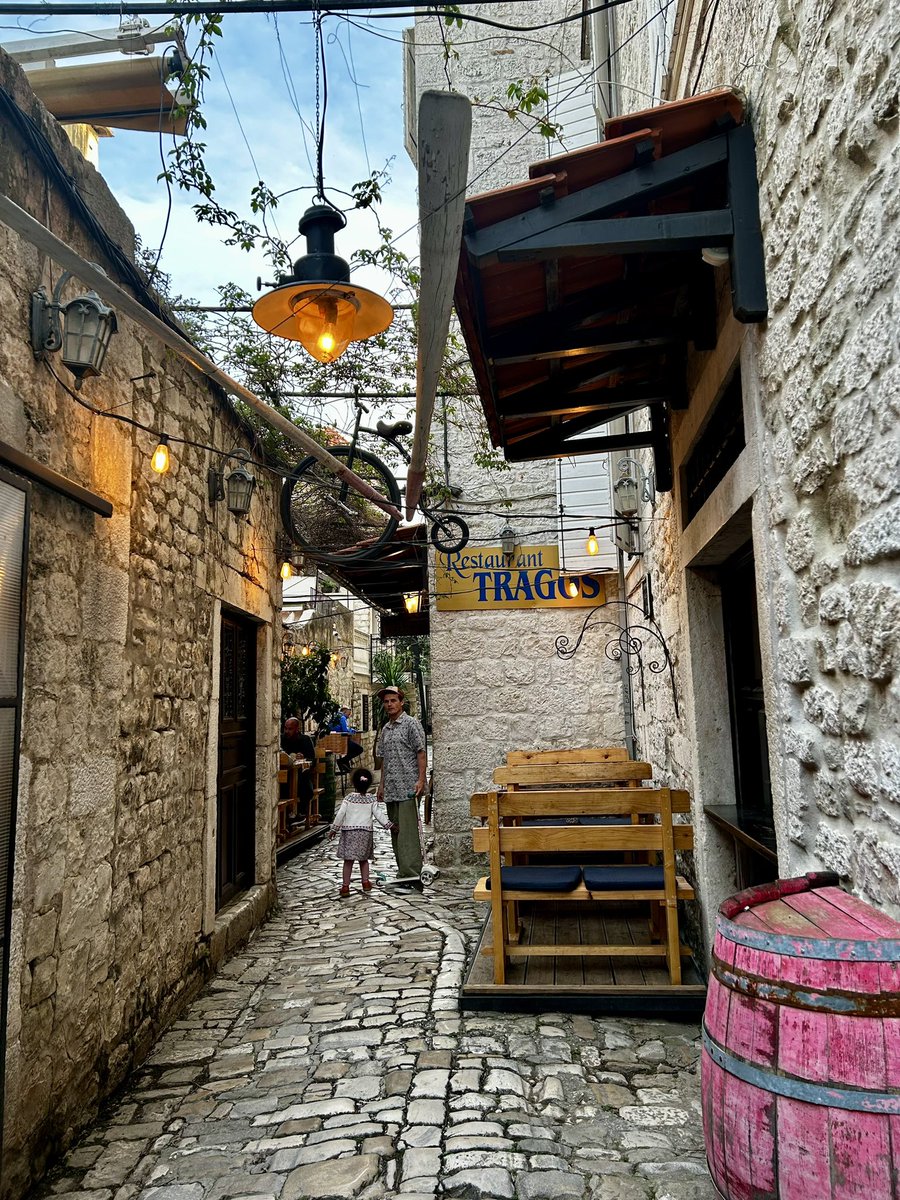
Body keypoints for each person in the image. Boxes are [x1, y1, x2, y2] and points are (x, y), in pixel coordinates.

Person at [375, 686, 427, 891]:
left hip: (409, 786)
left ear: (401, 702)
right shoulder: (386, 730)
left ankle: (412, 874)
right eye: (386, 701)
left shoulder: (411, 724)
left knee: (407, 833)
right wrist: (381, 786)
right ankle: (402, 872)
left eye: (393, 700)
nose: (389, 704)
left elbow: (421, 753)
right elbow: (385, 760)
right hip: (392, 788)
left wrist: (421, 781)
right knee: (395, 831)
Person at [329, 767, 394, 898]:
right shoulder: (371, 800)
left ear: (353, 783)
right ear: (369, 783)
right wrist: (389, 826)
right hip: (365, 834)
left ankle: (345, 886)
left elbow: (340, 814)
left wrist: (334, 829)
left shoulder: (348, 798)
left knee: (348, 861)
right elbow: (379, 814)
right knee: (364, 860)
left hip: (349, 833)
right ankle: (365, 882)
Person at [280, 717, 316, 820]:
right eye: (285, 728)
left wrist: (304, 758)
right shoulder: (281, 739)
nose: (287, 731)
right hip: (286, 775)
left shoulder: (305, 740)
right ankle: (287, 815)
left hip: (301, 775)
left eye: (290, 729)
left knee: (303, 787)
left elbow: (312, 760)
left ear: (297, 729)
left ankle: (299, 812)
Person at [330, 705, 363, 771]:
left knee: (349, 749)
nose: (349, 716)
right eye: (348, 714)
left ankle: (346, 766)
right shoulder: (342, 717)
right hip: (341, 740)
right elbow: (345, 730)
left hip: (334, 740)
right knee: (359, 749)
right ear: (345, 711)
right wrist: (353, 731)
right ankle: (341, 761)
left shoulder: (335, 716)